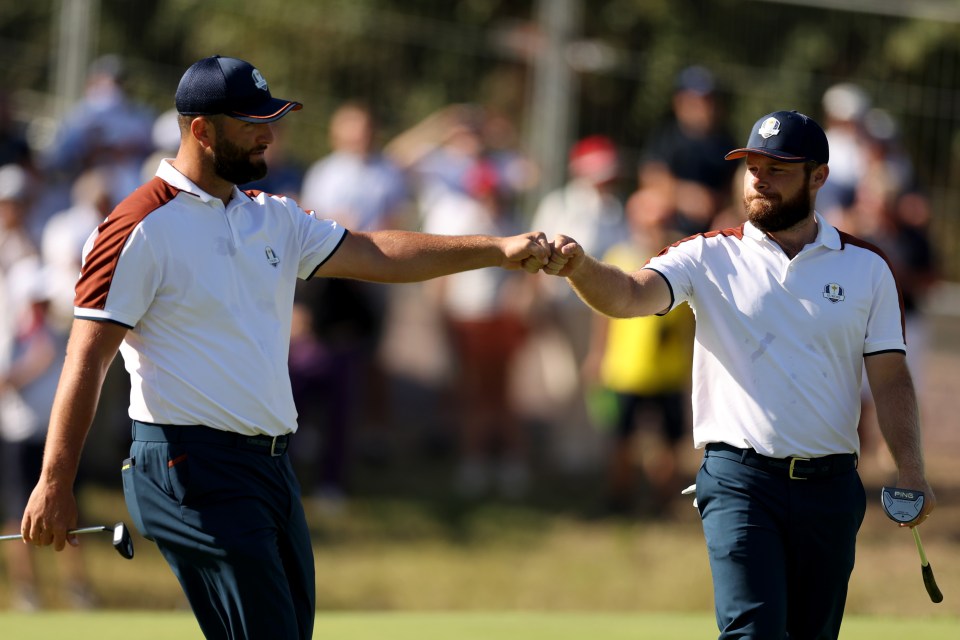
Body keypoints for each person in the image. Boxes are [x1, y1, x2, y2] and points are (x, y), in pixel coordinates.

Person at [19, 55, 550, 640]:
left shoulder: (269, 216)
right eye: (252, 122)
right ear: (202, 129)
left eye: (271, 118)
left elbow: (375, 252)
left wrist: (496, 248)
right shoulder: (137, 226)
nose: (268, 133)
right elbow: (86, 358)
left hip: (269, 465)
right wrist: (54, 480)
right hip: (188, 464)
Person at [540, 110, 936, 640]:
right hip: (738, 479)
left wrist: (910, 468)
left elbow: (889, 377)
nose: (760, 178)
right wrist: (580, 268)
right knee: (752, 632)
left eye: (778, 167)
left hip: (831, 485)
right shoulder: (706, 254)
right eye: (753, 165)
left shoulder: (867, 267)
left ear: (818, 177)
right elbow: (629, 295)